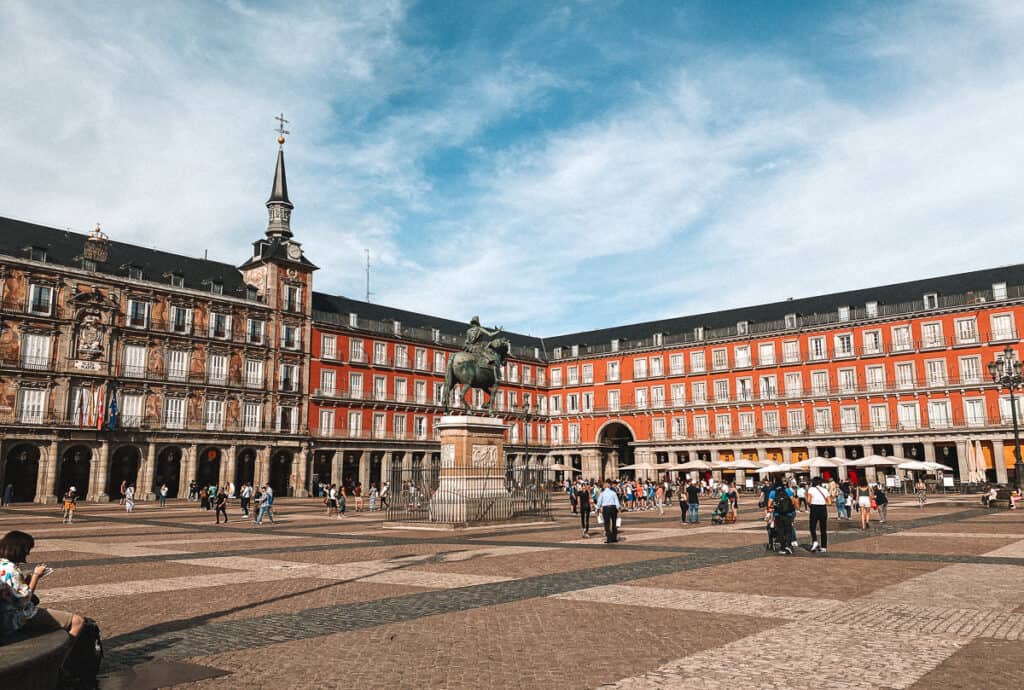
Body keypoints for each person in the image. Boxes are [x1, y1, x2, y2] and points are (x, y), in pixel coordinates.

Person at [0, 530, 85, 641]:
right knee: (77, 621)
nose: (28, 553)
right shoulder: (12, 570)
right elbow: (23, 600)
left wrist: (27, 580)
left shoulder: (3, 564)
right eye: (28, 549)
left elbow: (11, 592)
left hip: (6, 614)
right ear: (20, 550)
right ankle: (64, 653)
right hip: (17, 617)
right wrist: (36, 576)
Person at [807, 476, 830, 553]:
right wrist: (822, 502)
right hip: (823, 509)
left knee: (812, 526)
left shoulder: (811, 489)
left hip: (814, 508)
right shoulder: (825, 490)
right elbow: (829, 502)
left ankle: (815, 541)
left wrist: (811, 505)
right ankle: (824, 547)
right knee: (823, 528)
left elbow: (809, 501)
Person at [595, 479, 621, 543]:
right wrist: (619, 510)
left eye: (604, 484)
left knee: (607, 524)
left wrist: (597, 510)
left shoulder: (602, 493)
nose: (603, 485)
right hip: (613, 508)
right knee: (614, 523)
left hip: (606, 508)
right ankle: (614, 538)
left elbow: (599, 503)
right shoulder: (613, 493)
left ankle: (609, 538)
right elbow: (617, 502)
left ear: (606, 485)